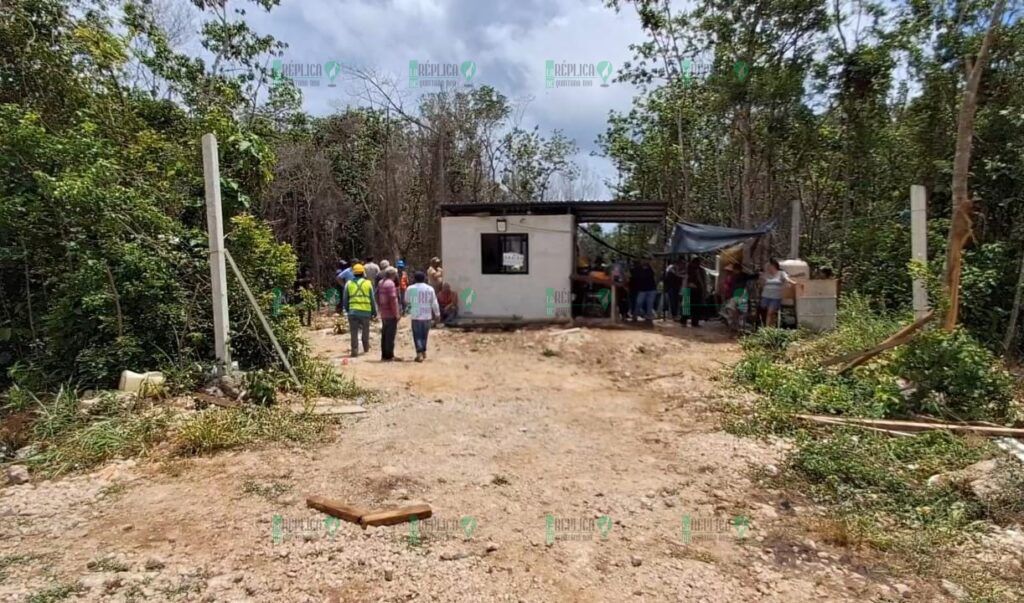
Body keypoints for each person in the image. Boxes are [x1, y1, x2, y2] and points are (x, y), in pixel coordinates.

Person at [405, 271, 440, 362]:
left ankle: (419, 353)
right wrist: (437, 314)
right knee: (425, 335)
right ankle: (423, 351)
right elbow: (434, 302)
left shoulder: (410, 288)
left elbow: (407, 301)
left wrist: (407, 312)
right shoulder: (430, 289)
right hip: (427, 315)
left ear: (414, 279)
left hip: (416, 314)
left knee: (417, 335)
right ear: (424, 278)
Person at [343, 263, 376, 357]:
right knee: (365, 331)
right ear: (363, 273)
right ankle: (366, 347)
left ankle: (354, 350)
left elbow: (345, 299)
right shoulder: (368, 283)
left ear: (353, 273)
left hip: (353, 311)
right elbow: (372, 299)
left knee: (353, 332)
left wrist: (347, 309)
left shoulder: (348, 284)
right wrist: (374, 311)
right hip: (366, 311)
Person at [760, 258, 800, 328]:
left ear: (773, 266)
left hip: (775, 297)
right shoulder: (766, 274)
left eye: (769, 266)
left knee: (770, 312)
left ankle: (767, 328)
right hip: (765, 296)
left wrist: (795, 283)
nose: (768, 267)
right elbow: (761, 284)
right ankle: (769, 326)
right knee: (766, 312)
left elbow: (787, 279)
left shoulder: (781, 273)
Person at [377, 266, 401, 361]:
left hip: (383, 312)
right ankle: (390, 355)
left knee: (385, 334)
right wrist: (397, 313)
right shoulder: (390, 284)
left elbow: (378, 297)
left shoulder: (380, 283)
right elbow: (393, 300)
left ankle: (384, 355)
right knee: (390, 335)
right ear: (392, 274)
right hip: (390, 313)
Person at [684, 257, 707, 327]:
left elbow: (703, 281)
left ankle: (694, 322)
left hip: (696, 290)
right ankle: (686, 321)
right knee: (687, 306)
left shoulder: (700, 270)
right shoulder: (689, 269)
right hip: (690, 289)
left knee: (694, 307)